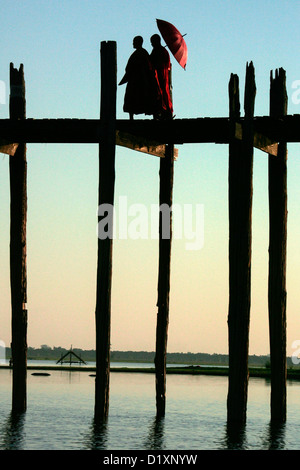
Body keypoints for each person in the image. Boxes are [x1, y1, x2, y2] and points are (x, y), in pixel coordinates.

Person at [119, 36, 161, 120]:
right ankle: (152, 116)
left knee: (132, 98)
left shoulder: (138, 54)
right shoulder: (144, 53)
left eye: (134, 42)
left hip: (137, 81)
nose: (133, 43)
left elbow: (130, 68)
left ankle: (131, 117)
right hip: (142, 81)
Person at [150, 34, 173, 119]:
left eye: (152, 42)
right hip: (164, 75)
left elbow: (152, 62)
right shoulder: (163, 51)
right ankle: (166, 111)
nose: (151, 44)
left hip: (159, 75)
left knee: (159, 92)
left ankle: (163, 111)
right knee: (164, 92)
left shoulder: (158, 50)